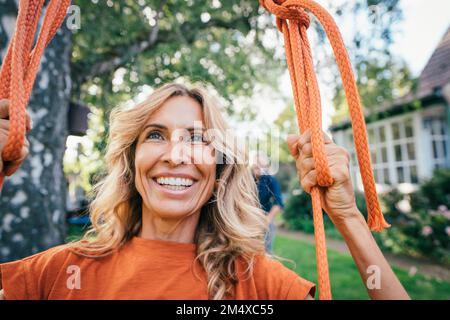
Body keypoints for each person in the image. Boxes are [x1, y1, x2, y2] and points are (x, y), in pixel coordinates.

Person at [0, 83, 410, 300]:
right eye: (156, 135)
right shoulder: (58, 273)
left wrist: (348, 217)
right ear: (131, 160)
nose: (176, 155)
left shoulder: (256, 284)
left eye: (197, 139)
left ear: (219, 170)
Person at [252, 153, 284, 253]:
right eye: (256, 164)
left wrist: (267, 220)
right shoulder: (246, 179)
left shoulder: (271, 180)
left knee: (266, 253)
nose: (258, 167)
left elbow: (278, 203)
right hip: (248, 219)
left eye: (261, 164)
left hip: (265, 219)